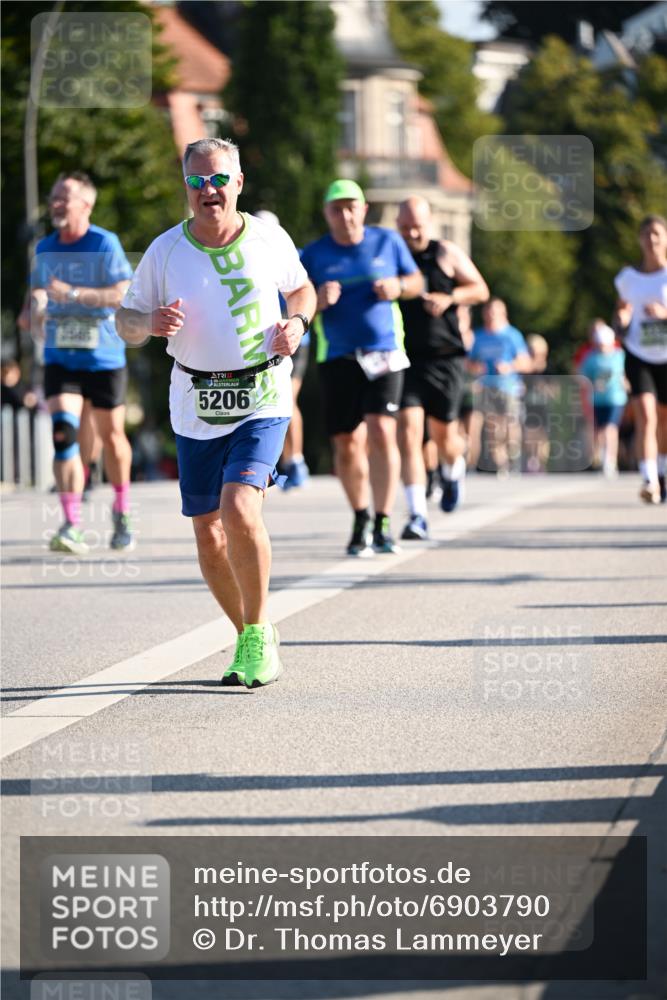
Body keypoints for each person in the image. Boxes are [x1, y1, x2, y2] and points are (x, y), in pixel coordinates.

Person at [116, 137, 316, 689]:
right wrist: (148, 324)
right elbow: (125, 322)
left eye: (219, 179)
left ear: (238, 183)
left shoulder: (269, 238)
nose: (209, 190)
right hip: (195, 401)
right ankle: (253, 630)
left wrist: (296, 325)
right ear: (187, 187)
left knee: (239, 507)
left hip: (261, 393)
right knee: (209, 534)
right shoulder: (165, 251)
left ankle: (253, 636)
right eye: (198, 181)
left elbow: (302, 290)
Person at [300, 179, 423, 556]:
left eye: (352, 207)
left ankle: (384, 520)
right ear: (327, 213)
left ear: (364, 209)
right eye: (337, 208)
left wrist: (398, 288)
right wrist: (317, 300)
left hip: (384, 351)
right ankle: (360, 515)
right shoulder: (314, 254)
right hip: (337, 356)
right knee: (347, 443)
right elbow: (294, 301)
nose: (345, 214)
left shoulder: (387, 242)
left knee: (383, 432)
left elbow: (417, 281)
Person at [30, 170, 134, 554]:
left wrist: (73, 293)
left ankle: (121, 509)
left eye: (64, 198)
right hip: (60, 357)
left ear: (86, 205)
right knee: (64, 435)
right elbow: (35, 297)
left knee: (112, 439)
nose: (56, 203)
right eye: (54, 196)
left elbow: (123, 292)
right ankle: (71, 523)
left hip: (103, 357)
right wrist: (35, 311)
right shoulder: (44, 248)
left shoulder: (105, 244)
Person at [395, 196, 489, 536]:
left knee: (444, 435)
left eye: (417, 226)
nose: (411, 233)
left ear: (429, 223)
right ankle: (417, 514)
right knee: (407, 434)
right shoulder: (394, 256)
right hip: (405, 358)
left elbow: (480, 289)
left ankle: (453, 469)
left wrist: (450, 297)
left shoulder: (445, 252)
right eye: (404, 227)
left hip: (445, 357)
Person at [254, 209, 310, 490]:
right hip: (265, 343)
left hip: (295, 339)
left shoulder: (290, 252)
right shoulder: (246, 253)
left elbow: (306, 290)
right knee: (267, 400)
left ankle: (296, 461)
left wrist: (299, 324)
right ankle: (272, 464)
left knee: (287, 398)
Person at [613, 214, 667, 504]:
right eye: (646, 234)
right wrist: (620, 320)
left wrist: (664, 315)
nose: (652, 240)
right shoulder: (627, 278)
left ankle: (662, 471)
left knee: (665, 421)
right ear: (639, 240)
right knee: (646, 415)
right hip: (639, 354)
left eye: (657, 234)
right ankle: (649, 480)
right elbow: (619, 315)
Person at [468, 298, 531, 476]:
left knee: (510, 425)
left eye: (495, 311)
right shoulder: (479, 336)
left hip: (509, 387)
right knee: (493, 428)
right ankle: (501, 466)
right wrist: (475, 368)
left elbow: (526, 363)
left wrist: (509, 367)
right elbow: (470, 362)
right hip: (487, 387)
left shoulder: (512, 335)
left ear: (503, 314)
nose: (491, 315)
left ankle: (514, 456)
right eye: (488, 311)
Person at [578, 320, 628, 478]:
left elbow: (626, 374)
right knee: (599, 431)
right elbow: (582, 376)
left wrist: (626, 382)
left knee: (610, 429)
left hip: (616, 399)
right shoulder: (591, 358)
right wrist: (592, 384)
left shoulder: (619, 355)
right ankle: (599, 457)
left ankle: (610, 460)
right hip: (597, 399)